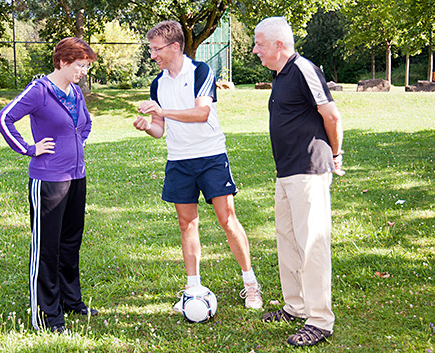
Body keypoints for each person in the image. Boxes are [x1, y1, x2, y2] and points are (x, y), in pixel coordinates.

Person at [133, 20, 262, 311]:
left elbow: (202, 113)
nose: (153, 55)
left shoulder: (201, 71)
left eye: (156, 49)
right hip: (178, 160)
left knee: (227, 220)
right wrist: (146, 126)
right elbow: (159, 129)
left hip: (211, 156)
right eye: (151, 50)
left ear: (175, 46)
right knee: (186, 224)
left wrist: (160, 110)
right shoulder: (158, 83)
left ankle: (250, 283)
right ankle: (192, 288)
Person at [0, 37, 98, 334]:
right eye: (79, 65)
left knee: (70, 243)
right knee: (47, 248)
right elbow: (3, 120)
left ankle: (71, 301)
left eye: (85, 66)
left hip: (76, 177)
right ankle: (48, 313)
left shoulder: (75, 92)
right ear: (63, 62)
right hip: (49, 180)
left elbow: (85, 123)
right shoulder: (38, 91)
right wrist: (29, 148)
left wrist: (76, 144)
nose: (83, 71)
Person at [252, 17, 345, 347]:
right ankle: (296, 306)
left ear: (279, 45)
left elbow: (331, 115)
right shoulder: (279, 76)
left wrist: (336, 154)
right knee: (287, 239)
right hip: (286, 172)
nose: (254, 50)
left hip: (309, 169)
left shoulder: (303, 68)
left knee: (312, 244)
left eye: (259, 44)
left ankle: (320, 320)